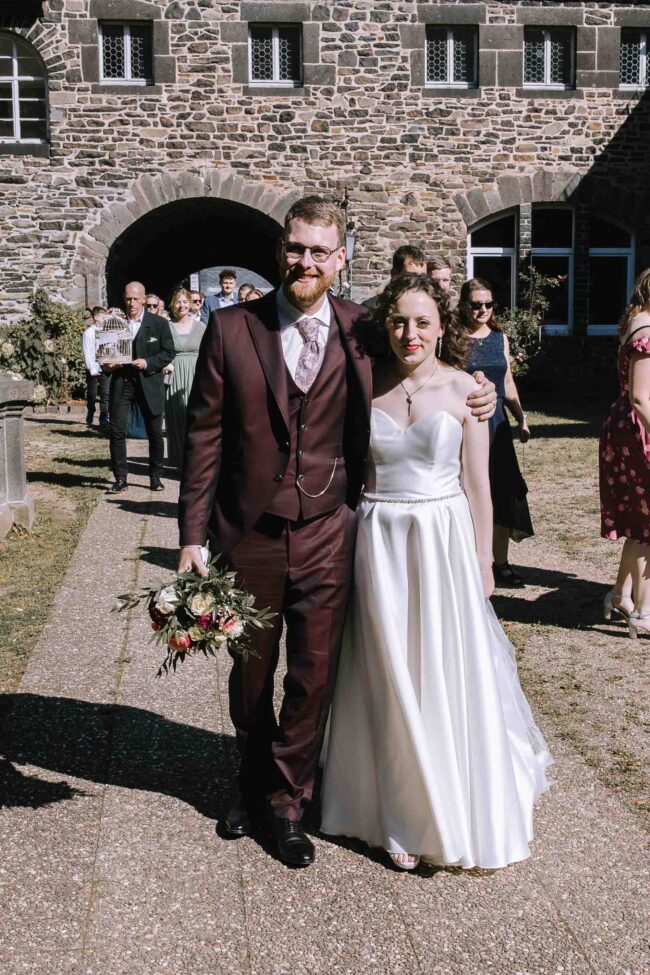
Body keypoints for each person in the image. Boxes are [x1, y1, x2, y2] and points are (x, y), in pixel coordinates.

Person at [176, 196, 496, 869]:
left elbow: (422, 357)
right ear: (281, 249)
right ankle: (250, 784)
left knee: (315, 675)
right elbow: (203, 434)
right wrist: (192, 534)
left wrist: (481, 392)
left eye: (320, 251)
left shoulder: (361, 329)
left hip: (330, 529)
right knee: (251, 675)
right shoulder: (232, 328)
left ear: (340, 259)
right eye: (296, 248)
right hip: (251, 532)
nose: (306, 261)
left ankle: (289, 803)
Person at [321, 274, 551, 871]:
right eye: (399, 321)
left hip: (441, 541)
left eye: (423, 321)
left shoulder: (465, 391)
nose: (410, 333)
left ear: (442, 326)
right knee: (388, 670)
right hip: (379, 540)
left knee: (441, 669)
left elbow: (479, 486)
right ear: (385, 325)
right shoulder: (364, 387)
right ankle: (397, 811)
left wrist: (482, 565)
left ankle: (446, 802)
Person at [458, 278, 533, 587]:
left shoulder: (499, 337)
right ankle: (466, 561)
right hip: (466, 422)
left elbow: (508, 382)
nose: (483, 310)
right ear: (464, 305)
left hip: (497, 424)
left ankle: (500, 563)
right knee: (466, 491)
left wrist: (521, 418)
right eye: (477, 305)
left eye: (488, 304)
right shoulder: (452, 337)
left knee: (502, 489)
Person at [600, 268, 650, 637]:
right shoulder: (647, 332)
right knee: (647, 524)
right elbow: (641, 396)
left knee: (639, 521)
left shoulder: (636, 321)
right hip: (640, 430)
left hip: (626, 427)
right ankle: (645, 613)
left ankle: (620, 595)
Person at [104, 281, 175, 494]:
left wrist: (147, 363)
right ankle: (120, 478)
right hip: (122, 382)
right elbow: (105, 359)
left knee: (154, 432)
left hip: (149, 382)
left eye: (136, 299)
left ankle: (155, 477)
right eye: (128, 299)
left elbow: (168, 352)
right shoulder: (114, 324)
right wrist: (109, 365)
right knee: (117, 431)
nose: (132, 303)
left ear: (144, 299)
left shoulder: (159, 324)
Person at [163, 287, 206, 471]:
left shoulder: (201, 327)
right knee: (176, 419)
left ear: (191, 304)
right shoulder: (166, 326)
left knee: (195, 418)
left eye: (185, 301)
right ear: (173, 304)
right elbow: (161, 350)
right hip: (174, 375)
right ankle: (178, 460)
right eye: (178, 301)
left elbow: (208, 353)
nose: (182, 305)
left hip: (196, 375)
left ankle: (196, 459)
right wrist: (164, 364)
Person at [363, 244, 427, 310]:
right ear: (394, 275)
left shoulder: (428, 308)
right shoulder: (370, 309)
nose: (418, 283)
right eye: (411, 276)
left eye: (423, 278)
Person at [82, 306, 110, 428]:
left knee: (106, 392)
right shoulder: (88, 333)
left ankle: (104, 415)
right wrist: (91, 369)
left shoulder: (107, 332)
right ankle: (91, 410)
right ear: (96, 318)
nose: (105, 319)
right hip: (93, 367)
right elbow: (87, 352)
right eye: (103, 316)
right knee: (92, 393)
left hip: (105, 366)